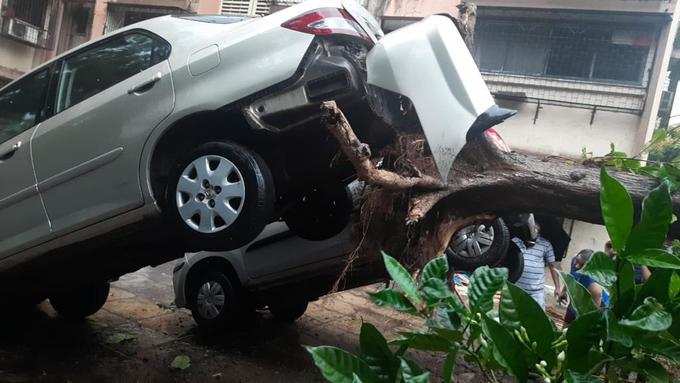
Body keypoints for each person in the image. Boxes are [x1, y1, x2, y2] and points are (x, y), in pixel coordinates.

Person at [513, 217, 562, 310]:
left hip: (536, 293)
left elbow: (552, 266)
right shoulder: (515, 242)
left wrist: (558, 287)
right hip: (516, 290)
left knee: (536, 322)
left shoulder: (545, 244)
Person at [562, 249, 610, 324]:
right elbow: (571, 276)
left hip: (598, 304)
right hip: (579, 296)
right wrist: (564, 291)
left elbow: (593, 312)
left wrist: (586, 323)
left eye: (581, 265)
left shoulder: (593, 284)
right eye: (577, 261)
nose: (577, 266)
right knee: (568, 319)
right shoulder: (575, 260)